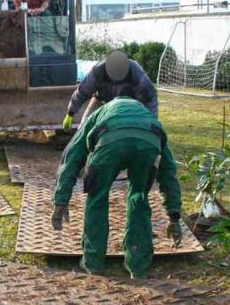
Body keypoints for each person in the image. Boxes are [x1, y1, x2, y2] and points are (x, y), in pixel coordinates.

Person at [51, 96, 183, 279]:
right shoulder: (148, 117)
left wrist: (61, 200)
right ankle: (137, 267)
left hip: (108, 141)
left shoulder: (99, 114)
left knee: (96, 198)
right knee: (139, 197)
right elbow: (168, 172)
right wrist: (173, 215)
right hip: (149, 141)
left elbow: (72, 157)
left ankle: (93, 263)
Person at [62, 49, 158, 131]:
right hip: (101, 101)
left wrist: (153, 121)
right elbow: (82, 92)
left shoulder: (136, 72)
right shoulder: (97, 71)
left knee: (132, 131)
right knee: (84, 128)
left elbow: (150, 97)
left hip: (129, 104)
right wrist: (70, 113)